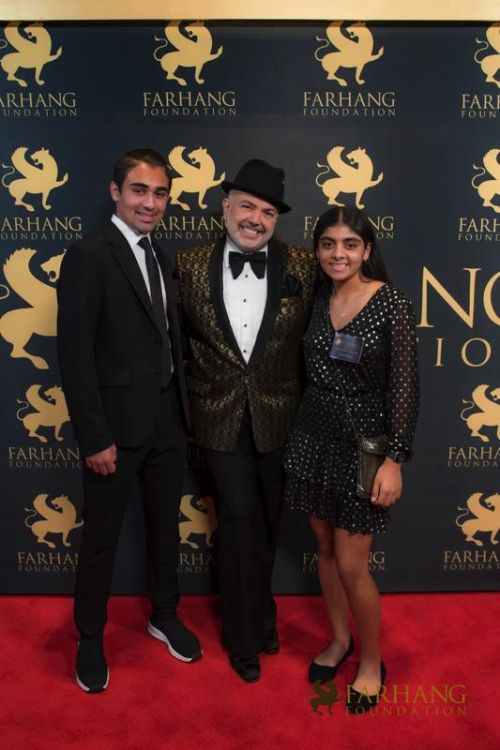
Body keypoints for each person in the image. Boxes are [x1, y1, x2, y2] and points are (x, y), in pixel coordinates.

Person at [57, 148, 201, 694]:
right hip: (114, 430)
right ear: (115, 192)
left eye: (160, 193)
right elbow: (74, 354)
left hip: (167, 420)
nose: (151, 203)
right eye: (140, 190)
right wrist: (95, 436)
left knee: (166, 527)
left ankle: (163, 615)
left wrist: (180, 416)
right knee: (101, 537)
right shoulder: (88, 255)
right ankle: (90, 637)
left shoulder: (161, 254)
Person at [176, 159, 316, 682]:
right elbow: (173, 344)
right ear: (225, 206)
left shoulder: (304, 265)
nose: (255, 219)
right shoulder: (188, 265)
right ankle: (242, 638)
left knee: (268, 525)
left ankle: (262, 615)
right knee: (237, 522)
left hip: (280, 417)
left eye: (268, 212)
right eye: (247, 206)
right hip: (218, 417)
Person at [284, 205, 419, 713]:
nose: (337, 254)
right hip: (313, 434)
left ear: (367, 250)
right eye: (328, 244)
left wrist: (394, 459)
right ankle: (340, 640)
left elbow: (404, 386)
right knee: (323, 546)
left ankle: (371, 661)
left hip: (363, 444)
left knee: (351, 565)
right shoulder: (319, 296)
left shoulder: (390, 302)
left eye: (349, 244)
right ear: (317, 249)